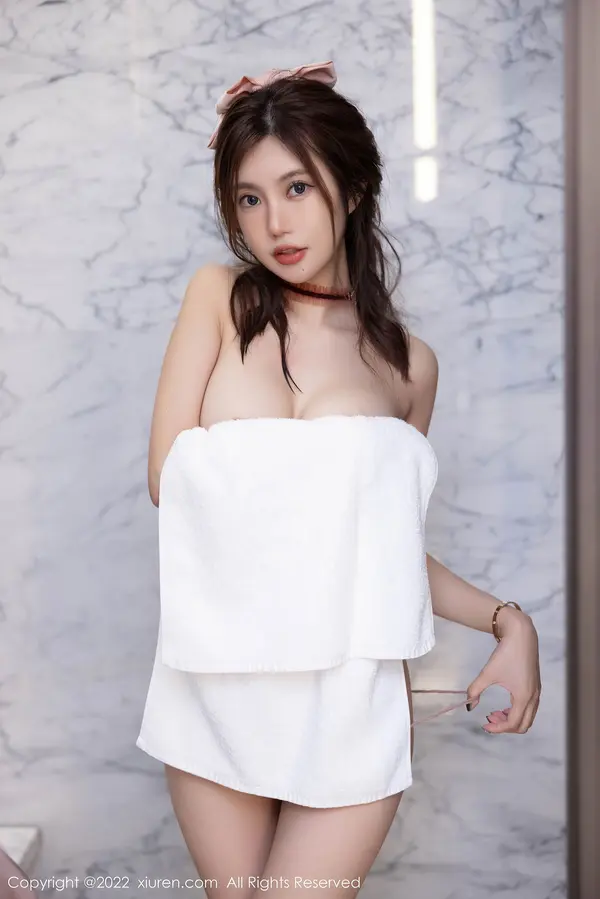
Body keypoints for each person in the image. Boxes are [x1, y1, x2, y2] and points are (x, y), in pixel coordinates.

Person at [136, 61, 542, 898]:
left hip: (351, 700)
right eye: (250, 198)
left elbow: (381, 553)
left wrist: (509, 622)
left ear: (353, 188)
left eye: (297, 187)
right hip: (216, 678)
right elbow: (165, 479)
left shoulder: (409, 366)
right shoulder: (218, 299)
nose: (275, 222)